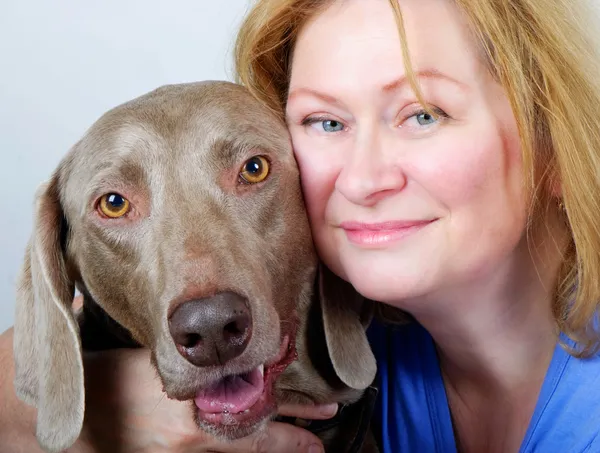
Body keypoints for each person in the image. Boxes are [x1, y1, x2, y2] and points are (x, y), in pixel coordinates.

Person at [3, 0, 600, 451]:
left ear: (553, 139)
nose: (362, 180)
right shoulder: (367, 323)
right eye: (326, 122)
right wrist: (109, 401)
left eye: (423, 113)